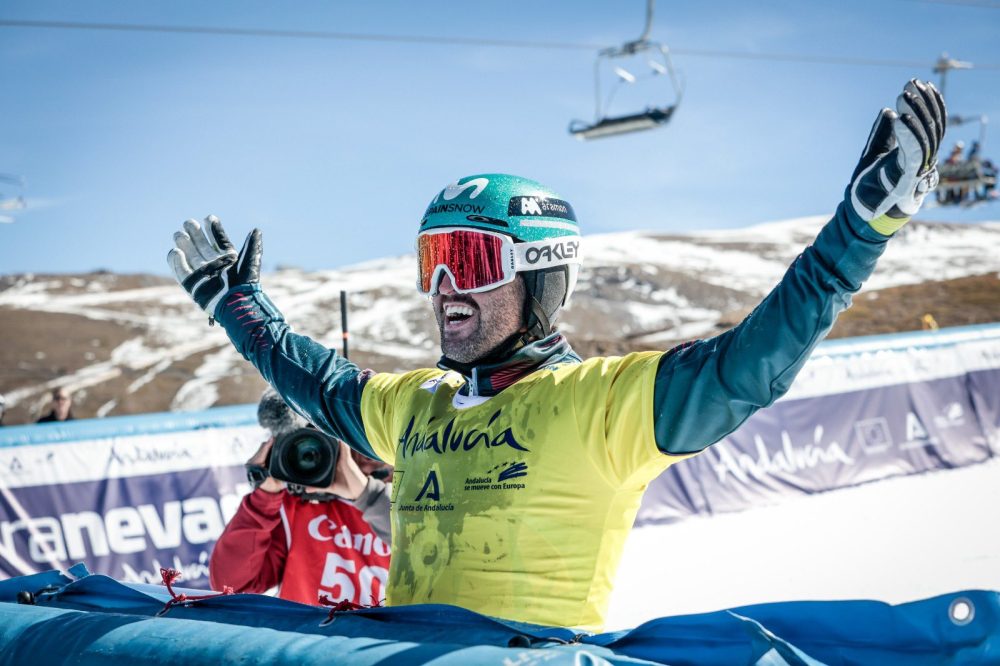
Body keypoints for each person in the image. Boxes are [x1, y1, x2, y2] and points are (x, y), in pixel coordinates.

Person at [169, 80, 945, 631]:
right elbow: (317, 379)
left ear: (539, 279)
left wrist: (860, 230)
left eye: (469, 262)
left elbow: (748, 367)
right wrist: (236, 306)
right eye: (431, 261)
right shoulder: (416, 404)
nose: (442, 288)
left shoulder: (596, 406)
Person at [210, 389, 392, 606]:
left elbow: (425, 545)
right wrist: (265, 496)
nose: (356, 457)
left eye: (371, 445)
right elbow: (229, 584)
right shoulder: (295, 504)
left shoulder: (416, 503)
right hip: (308, 638)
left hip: (388, 638)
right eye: (349, 441)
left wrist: (365, 493)